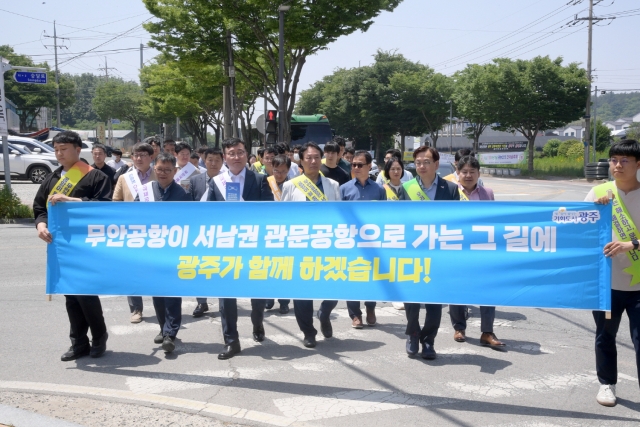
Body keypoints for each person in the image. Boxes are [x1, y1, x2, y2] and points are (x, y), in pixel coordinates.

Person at [33, 131, 112, 361]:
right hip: (61, 246)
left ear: (78, 150)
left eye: (64, 149)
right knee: (70, 296)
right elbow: (39, 208)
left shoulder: (95, 177)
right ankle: (78, 343)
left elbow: (105, 207)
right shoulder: (52, 178)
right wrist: (41, 226)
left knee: (86, 294)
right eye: (56, 149)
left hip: (87, 246)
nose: (59, 153)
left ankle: (99, 337)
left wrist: (72, 200)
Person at [206, 138, 274, 360]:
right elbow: (209, 215)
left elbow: (269, 213)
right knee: (226, 295)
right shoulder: (216, 182)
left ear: (247, 155)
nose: (236, 157)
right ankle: (231, 340)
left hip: (254, 245)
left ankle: (257, 322)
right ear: (225, 157)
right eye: (232, 153)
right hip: (227, 246)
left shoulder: (260, 179)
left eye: (240, 152)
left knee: (257, 293)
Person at [586, 139, 640, 407]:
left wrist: (633, 244)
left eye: (625, 160)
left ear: (638, 164)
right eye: (614, 160)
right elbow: (579, 232)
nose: (617, 165)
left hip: (639, 284)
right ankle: (607, 384)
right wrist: (595, 210)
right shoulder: (599, 193)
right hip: (606, 284)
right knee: (605, 336)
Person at [396, 146, 460, 360]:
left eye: (426, 162)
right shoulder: (406, 189)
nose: (421, 166)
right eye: (418, 162)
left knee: (435, 300)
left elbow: (456, 222)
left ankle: (428, 340)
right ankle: (413, 334)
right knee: (412, 298)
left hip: (439, 253)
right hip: (413, 252)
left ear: (435, 163)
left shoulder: (450, 189)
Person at [281, 142, 341, 348]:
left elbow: (339, 216)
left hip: (327, 244)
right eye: (309, 157)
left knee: (334, 287)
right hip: (300, 245)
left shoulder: (332, 185)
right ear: (301, 160)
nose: (313, 161)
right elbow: (284, 218)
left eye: (317, 157)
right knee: (302, 291)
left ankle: (324, 313)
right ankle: (308, 331)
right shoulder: (290, 186)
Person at [134, 152, 191, 353]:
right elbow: (133, 216)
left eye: (168, 170)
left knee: (172, 293)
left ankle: (170, 333)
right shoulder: (145, 191)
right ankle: (162, 327)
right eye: (160, 169)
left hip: (174, 251)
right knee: (157, 292)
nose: (164, 173)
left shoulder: (183, 194)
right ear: (154, 169)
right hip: (152, 251)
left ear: (175, 171)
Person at [447, 156, 505, 347]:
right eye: (464, 172)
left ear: (479, 173)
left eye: (472, 172)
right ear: (458, 173)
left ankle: (487, 332)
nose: (468, 175)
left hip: (482, 248)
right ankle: (459, 328)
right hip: (458, 248)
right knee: (457, 288)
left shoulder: (487, 193)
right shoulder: (451, 191)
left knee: (488, 289)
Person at [340, 150, 386, 328]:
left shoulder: (379, 190)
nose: (356, 168)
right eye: (353, 165)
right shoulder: (344, 189)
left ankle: (370, 308)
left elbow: (383, 216)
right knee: (352, 276)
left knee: (372, 276)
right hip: (351, 241)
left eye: (360, 165)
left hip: (372, 241)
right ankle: (355, 315)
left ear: (369, 167)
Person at [113, 142, 157, 323]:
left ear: (151, 157)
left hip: (156, 230)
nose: (139, 158)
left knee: (156, 269)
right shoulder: (124, 178)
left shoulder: (159, 174)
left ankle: (161, 308)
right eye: (135, 155)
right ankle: (136, 309)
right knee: (132, 270)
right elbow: (116, 202)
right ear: (131, 158)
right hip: (132, 231)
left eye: (143, 155)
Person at [189, 147, 225, 317]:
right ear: (204, 160)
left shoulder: (228, 181)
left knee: (221, 268)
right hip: (200, 231)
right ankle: (201, 302)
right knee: (200, 268)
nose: (213, 163)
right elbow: (190, 204)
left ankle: (223, 302)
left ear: (222, 162)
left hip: (222, 232)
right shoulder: (195, 180)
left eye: (217, 160)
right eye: (210, 159)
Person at [264, 154, 292, 314]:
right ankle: (269, 297)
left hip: (287, 231)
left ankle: (284, 301)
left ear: (288, 170)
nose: (279, 174)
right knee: (268, 266)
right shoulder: (266, 183)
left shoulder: (294, 185)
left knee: (284, 267)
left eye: (282, 171)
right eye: (276, 170)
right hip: (269, 230)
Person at [380, 156, 407, 310]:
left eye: (398, 168)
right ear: (387, 171)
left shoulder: (409, 188)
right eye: (393, 169)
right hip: (388, 232)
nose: (396, 171)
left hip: (405, 232)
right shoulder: (381, 189)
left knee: (402, 264)